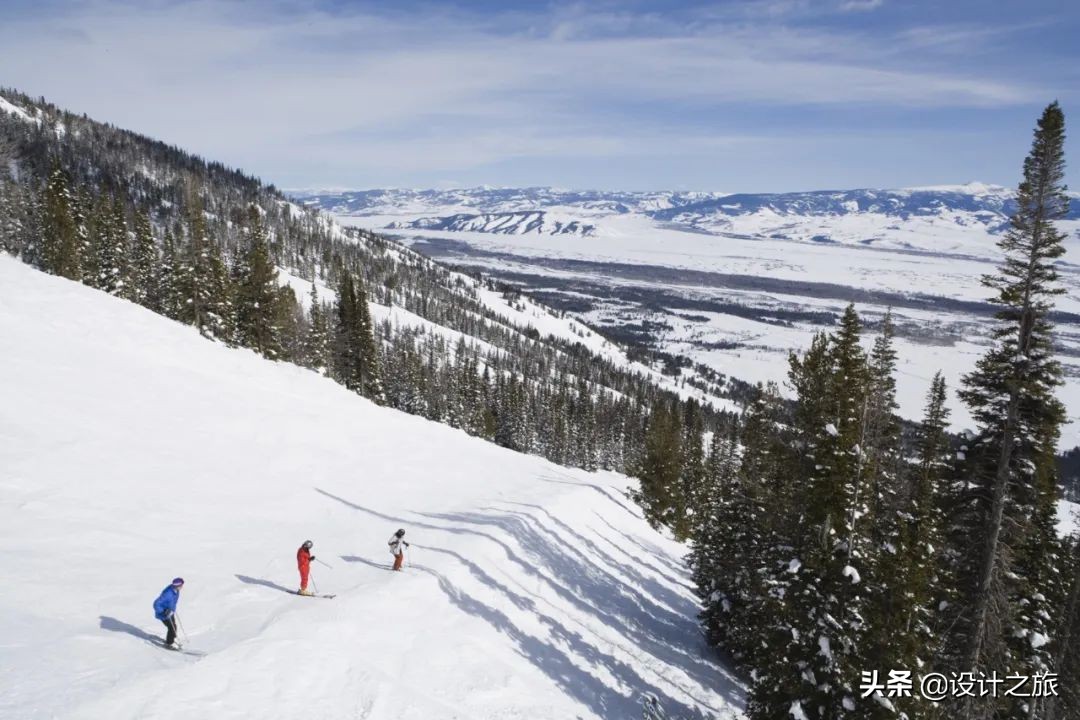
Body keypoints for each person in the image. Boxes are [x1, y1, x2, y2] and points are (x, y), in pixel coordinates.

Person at [153, 577, 184, 648]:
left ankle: (171, 639)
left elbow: (173, 601)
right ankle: (169, 644)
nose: (182, 587)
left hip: (170, 612)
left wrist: (172, 608)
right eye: (181, 585)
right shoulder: (168, 594)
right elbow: (156, 603)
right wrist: (163, 611)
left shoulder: (175, 590)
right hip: (164, 614)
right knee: (172, 628)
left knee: (174, 626)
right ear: (177, 586)